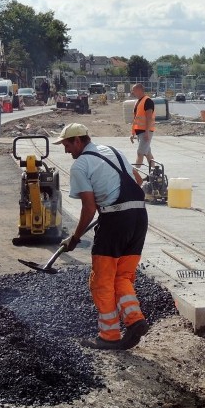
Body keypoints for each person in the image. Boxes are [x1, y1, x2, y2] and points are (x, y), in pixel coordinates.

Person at [54, 122, 150, 350]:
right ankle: (135, 320)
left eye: (67, 145)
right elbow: (137, 181)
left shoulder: (81, 165)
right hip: (139, 217)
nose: (66, 150)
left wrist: (75, 238)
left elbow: (88, 208)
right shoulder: (112, 150)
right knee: (123, 276)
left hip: (115, 223)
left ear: (78, 140)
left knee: (102, 281)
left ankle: (109, 335)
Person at [129, 83, 155, 169]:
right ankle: (154, 173)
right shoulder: (138, 102)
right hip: (140, 132)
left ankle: (135, 176)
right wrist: (132, 133)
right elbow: (136, 119)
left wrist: (147, 132)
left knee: (140, 153)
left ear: (140, 90)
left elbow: (149, 117)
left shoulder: (147, 101)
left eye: (134, 90)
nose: (133, 92)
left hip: (145, 132)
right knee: (147, 154)